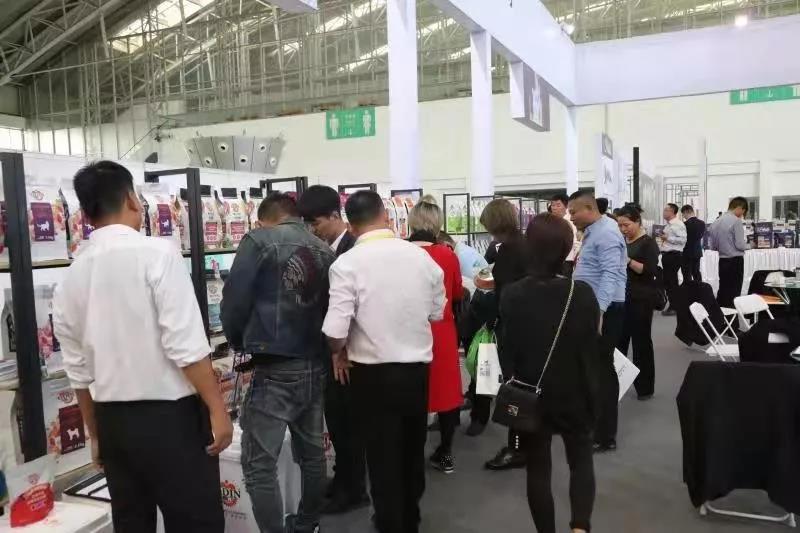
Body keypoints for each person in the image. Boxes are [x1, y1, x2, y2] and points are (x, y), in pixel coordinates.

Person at [52, 161, 232, 533]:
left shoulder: (70, 276)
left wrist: (96, 433)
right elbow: (185, 346)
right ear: (132, 200)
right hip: (171, 421)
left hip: (112, 421)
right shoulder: (158, 254)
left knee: (132, 523)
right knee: (195, 522)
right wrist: (218, 409)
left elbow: (77, 370)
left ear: (85, 214)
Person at [322, 191, 446, 533]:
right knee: (412, 449)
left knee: (381, 456)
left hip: (371, 376)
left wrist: (338, 350)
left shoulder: (345, 264)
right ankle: (410, 518)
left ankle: (390, 522)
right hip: (416, 373)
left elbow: (334, 330)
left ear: (350, 225)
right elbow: (437, 312)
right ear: (387, 217)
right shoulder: (423, 258)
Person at [222, 193, 335, 533]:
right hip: (315, 363)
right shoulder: (325, 250)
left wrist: (238, 341)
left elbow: (234, 301)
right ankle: (308, 524)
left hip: (274, 367)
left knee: (259, 464)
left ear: (263, 219)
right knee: (312, 455)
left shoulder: (258, 241)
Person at [500, 213, 599, 533]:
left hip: (531, 392)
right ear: (567, 248)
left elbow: (507, 350)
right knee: (580, 460)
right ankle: (580, 528)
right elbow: (591, 347)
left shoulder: (512, 293)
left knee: (538, 468)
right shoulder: (581, 293)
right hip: (575, 391)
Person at [296, 185, 369, 514]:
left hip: (348, 354)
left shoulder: (352, 252)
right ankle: (343, 480)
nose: (313, 230)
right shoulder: (328, 249)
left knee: (347, 424)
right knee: (339, 423)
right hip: (333, 351)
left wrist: (340, 349)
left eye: (316, 223)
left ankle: (353, 490)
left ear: (335, 216)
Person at [468, 199, 529, 470]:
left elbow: (503, 291)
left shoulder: (510, 250)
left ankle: (516, 448)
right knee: (520, 387)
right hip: (522, 325)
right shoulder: (522, 244)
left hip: (511, 327)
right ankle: (522, 444)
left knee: (514, 390)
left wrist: (488, 314)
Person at [568, 191, 627, 453]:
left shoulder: (607, 234)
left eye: (573, 212)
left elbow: (610, 274)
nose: (571, 217)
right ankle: (595, 425)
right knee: (592, 368)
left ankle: (605, 435)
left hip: (605, 310)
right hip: (594, 307)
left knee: (602, 371)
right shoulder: (594, 231)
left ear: (589, 209)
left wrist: (599, 311)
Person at [408, 201, 464, 474]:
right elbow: (456, 293)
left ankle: (410, 455)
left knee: (411, 391)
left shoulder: (401, 253)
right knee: (446, 391)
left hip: (408, 328)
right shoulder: (447, 254)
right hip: (441, 330)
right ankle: (445, 451)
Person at [616, 205, 660, 401]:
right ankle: (616, 383)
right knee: (619, 342)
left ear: (637, 222)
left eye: (626, 225)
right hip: (621, 297)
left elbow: (649, 271)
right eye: (620, 225)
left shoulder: (648, 243)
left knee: (641, 343)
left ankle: (645, 388)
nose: (623, 229)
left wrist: (627, 260)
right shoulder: (621, 240)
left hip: (641, 299)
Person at [709, 197, 749, 308]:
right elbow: (740, 245)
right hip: (735, 261)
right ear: (740, 208)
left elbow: (713, 246)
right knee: (734, 291)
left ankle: (720, 315)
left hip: (722, 260)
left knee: (723, 289)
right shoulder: (736, 221)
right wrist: (750, 245)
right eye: (743, 212)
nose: (742, 215)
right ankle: (733, 317)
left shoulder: (716, 222)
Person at [658, 203, 687, 316]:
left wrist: (668, 237)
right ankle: (674, 305)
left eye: (666, 210)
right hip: (668, 255)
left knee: (671, 282)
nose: (664, 212)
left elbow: (683, 240)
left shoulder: (677, 224)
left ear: (672, 212)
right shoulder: (669, 225)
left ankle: (674, 306)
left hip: (673, 255)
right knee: (669, 281)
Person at [550, 193, 580, 275]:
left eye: (558, 205)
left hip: (566, 260)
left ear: (566, 206)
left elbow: (576, 241)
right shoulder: (552, 221)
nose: (554, 208)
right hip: (554, 259)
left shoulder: (571, 221)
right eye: (552, 205)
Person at [681, 205, 706, 283]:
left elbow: (682, 239)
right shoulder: (702, 223)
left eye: (683, 214)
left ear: (686, 212)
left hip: (686, 252)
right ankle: (699, 288)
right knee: (696, 272)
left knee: (686, 274)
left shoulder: (684, 224)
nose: (683, 216)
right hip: (697, 251)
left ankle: (688, 289)